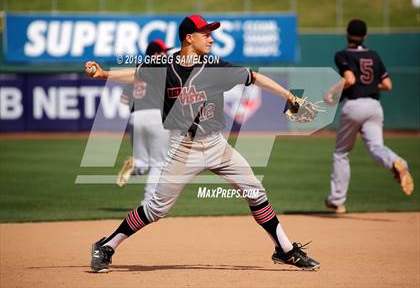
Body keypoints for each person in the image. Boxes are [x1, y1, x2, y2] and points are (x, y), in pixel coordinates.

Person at [85, 14, 320, 273]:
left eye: (211, 33)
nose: (211, 38)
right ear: (189, 38)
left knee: (255, 192)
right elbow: (137, 74)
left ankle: (285, 250)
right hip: (183, 148)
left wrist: (289, 96)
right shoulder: (164, 66)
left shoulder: (216, 67)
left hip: (218, 145)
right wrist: (104, 73)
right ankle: (106, 246)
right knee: (156, 209)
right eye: (205, 33)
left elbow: (254, 77)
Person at [324, 19, 414, 214]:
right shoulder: (373, 55)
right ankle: (396, 162)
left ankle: (337, 201)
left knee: (341, 152)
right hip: (374, 106)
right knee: (376, 147)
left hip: (355, 105)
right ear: (365, 36)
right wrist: (370, 85)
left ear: (347, 34)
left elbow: (350, 79)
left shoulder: (342, 54)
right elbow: (387, 84)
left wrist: (331, 91)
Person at [116, 40, 172, 205]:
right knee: (159, 163)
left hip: (136, 117)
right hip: (156, 116)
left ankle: (134, 166)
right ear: (155, 54)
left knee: (142, 162)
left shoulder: (138, 69)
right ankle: (148, 202)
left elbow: (124, 99)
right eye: (163, 52)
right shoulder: (163, 68)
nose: (165, 55)